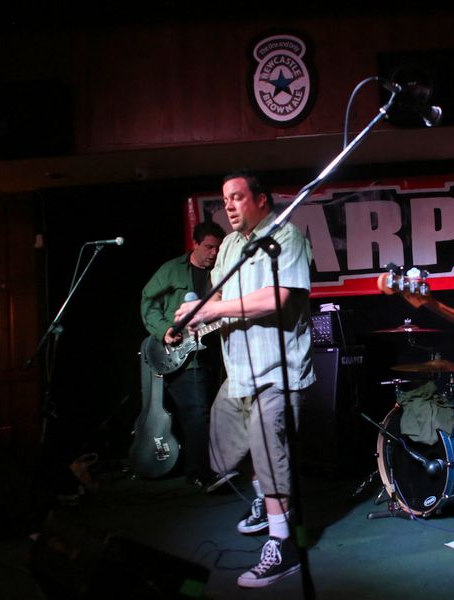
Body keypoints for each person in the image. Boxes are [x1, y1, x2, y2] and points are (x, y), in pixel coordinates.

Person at [174, 170, 315, 589]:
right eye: (224, 200)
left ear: (261, 199)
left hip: (278, 369)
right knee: (227, 448)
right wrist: (196, 314)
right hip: (239, 371)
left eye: (236, 197)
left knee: (270, 450)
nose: (229, 206)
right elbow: (218, 294)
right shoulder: (232, 245)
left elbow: (279, 296)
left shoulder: (286, 237)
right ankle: (264, 504)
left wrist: (214, 310)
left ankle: (283, 544)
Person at [140, 220, 225, 488]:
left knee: (208, 413)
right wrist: (164, 330)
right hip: (181, 356)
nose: (214, 253)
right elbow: (148, 301)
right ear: (195, 244)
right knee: (197, 414)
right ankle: (204, 473)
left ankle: (196, 470)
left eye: (218, 248)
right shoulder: (172, 270)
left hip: (212, 354)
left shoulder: (221, 273)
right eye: (209, 247)